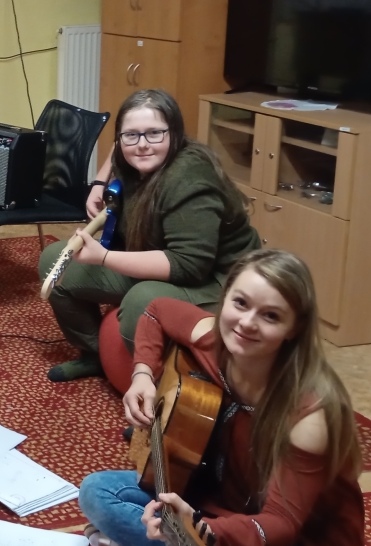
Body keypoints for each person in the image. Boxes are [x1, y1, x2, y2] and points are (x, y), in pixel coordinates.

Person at [78, 249, 364, 546]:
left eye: (270, 316)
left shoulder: (310, 412)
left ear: (295, 328)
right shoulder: (212, 336)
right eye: (240, 303)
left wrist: (201, 531)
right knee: (95, 491)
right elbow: (156, 311)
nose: (246, 323)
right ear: (225, 298)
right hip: (208, 496)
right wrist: (142, 374)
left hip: (296, 542)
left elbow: (282, 524)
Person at [39, 88, 259, 382]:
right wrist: (98, 184)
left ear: (174, 134)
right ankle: (97, 355)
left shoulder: (190, 178)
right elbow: (120, 148)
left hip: (220, 279)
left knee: (142, 302)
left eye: (154, 133)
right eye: (131, 135)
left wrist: (104, 257)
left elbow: (188, 265)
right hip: (163, 255)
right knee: (55, 261)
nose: (142, 145)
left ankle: (166, 389)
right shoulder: (133, 153)